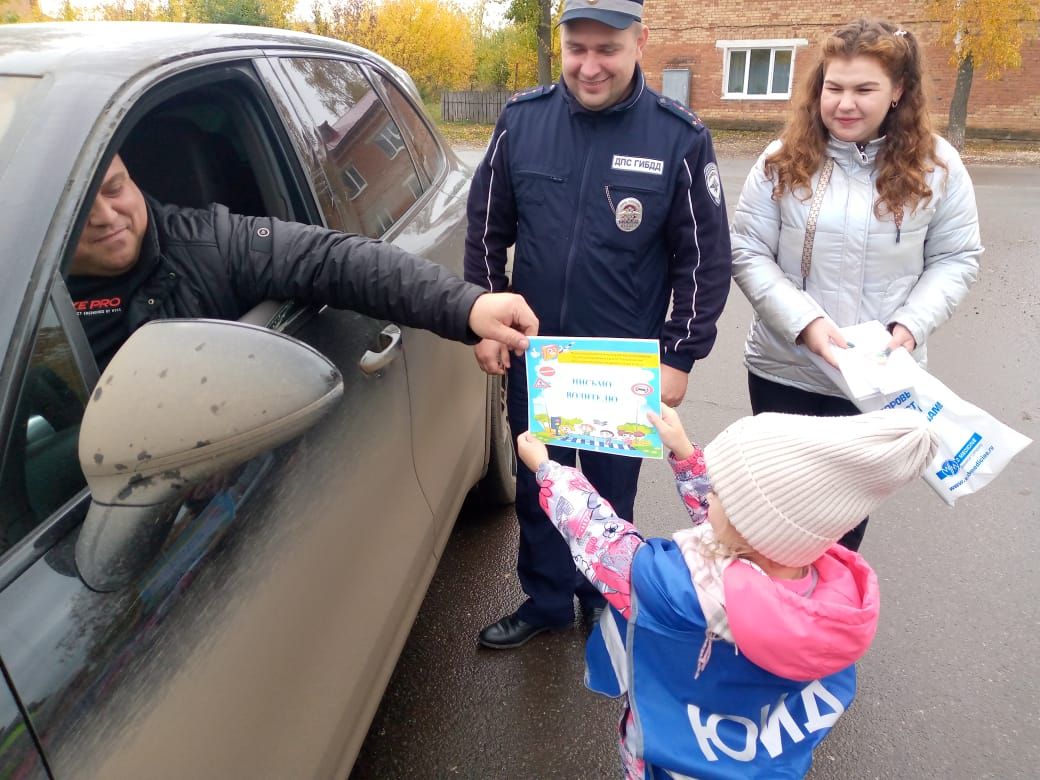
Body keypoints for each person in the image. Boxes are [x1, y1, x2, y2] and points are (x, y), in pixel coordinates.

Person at [465, 0, 732, 649]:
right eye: (576, 48)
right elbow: (486, 228)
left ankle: (605, 596)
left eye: (606, 49)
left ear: (639, 42)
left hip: (619, 365)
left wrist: (680, 355)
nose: (589, 65)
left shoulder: (678, 137)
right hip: (538, 353)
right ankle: (549, 598)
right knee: (539, 483)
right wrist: (489, 318)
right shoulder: (522, 122)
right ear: (562, 44)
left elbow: (704, 258)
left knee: (609, 492)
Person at [516, 405, 937, 778]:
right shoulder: (824, 595)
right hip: (750, 761)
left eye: (718, 491)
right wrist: (684, 454)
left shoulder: (676, 590)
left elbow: (603, 542)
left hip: (668, 759)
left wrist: (548, 471)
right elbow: (738, 530)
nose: (711, 496)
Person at [730, 18, 982, 551]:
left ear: (898, 92)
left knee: (843, 522)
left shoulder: (938, 167)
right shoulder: (781, 162)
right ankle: (768, 621)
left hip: (878, 382)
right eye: (834, 87)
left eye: (864, 89)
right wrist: (806, 324)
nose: (846, 103)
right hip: (786, 370)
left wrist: (908, 327)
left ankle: (826, 624)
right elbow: (747, 251)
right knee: (777, 509)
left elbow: (956, 257)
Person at [67, 154, 540, 370]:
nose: (108, 216)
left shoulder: (206, 243)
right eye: (81, 210)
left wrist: (467, 306)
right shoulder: (24, 300)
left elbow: (330, 259)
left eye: (115, 188)